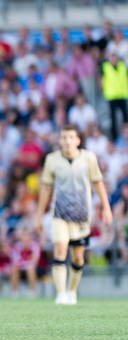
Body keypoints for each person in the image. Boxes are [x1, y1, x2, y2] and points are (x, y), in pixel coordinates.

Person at [35, 125, 113, 305]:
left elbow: (98, 183)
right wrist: (38, 216)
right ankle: (61, 294)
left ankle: (72, 291)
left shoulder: (89, 158)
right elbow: (46, 188)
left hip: (81, 216)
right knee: (60, 250)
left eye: (71, 137)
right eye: (64, 137)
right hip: (59, 214)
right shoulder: (52, 160)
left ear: (78, 140)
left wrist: (106, 208)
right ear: (59, 140)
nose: (67, 141)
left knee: (78, 256)